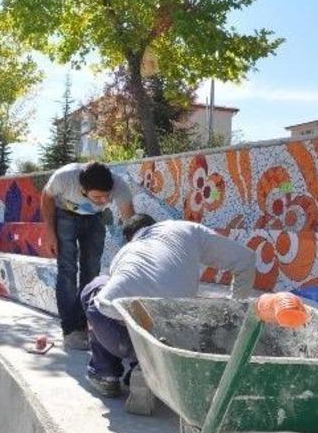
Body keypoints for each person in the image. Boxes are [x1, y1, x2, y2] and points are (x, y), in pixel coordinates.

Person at [82, 214, 256, 412]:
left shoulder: (127, 251)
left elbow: (116, 305)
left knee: (96, 289)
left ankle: (105, 374)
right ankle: (147, 369)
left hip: (117, 335)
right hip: (170, 338)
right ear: (153, 225)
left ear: (132, 236)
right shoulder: (188, 230)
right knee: (160, 314)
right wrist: (235, 311)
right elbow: (246, 259)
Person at [41, 162, 135, 350]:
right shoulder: (64, 177)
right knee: (67, 269)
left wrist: (136, 247)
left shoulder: (119, 186)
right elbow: (46, 196)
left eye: (107, 196)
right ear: (83, 190)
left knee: (92, 270)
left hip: (94, 219)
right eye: (97, 197)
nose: (104, 200)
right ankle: (70, 329)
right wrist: (50, 231)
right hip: (64, 215)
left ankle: (84, 324)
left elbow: (130, 221)